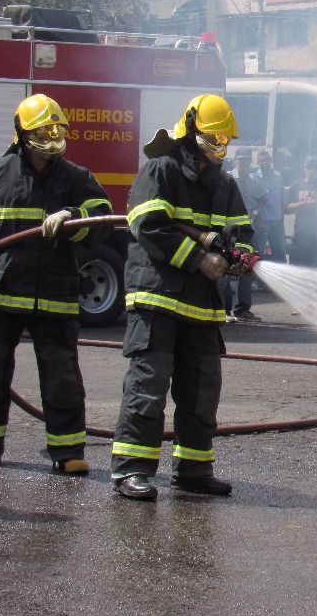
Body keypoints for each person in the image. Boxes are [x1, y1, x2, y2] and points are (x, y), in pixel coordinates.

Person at [0, 94, 113, 474]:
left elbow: (102, 214)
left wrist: (73, 216)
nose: (52, 137)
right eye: (43, 131)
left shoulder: (75, 177)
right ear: (23, 133)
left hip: (54, 291)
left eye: (57, 130)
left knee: (61, 376)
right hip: (1, 289)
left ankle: (68, 451)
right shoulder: (1, 173)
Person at [111, 94, 253, 500]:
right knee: (149, 384)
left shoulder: (225, 185)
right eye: (213, 138)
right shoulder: (161, 170)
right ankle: (131, 470)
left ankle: (193, 470)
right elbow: (149, 227)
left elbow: (241, 231)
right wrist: (199, 260)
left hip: (202, 306)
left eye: (225, 140)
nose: (220, 147)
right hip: (157, 298)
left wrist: (241, 256)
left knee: (202, 389)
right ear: (191, 131)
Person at [223, 150, 264, 322]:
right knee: (223, 268)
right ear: (235, 162)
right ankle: (223, 310)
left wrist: (255, 211)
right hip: (227, 229)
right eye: (241, 160)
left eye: (247, 160)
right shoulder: (227, 179)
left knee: (246, 265)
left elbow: (265, 197)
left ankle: (242, 309)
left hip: (246, 230)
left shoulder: (253, 181)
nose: (244, 163)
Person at [253, 149, 286, 265]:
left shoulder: (278, 176)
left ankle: (279, 280)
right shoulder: (254, 179)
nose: (265, 163)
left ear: (271, 161)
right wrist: (259, 221)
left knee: (280, 253)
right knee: (258, 254)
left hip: (277, 223)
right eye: (262, 161)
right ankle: (257, 282)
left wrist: (281, 217)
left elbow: (282, 198)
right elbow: (253, 204)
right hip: (262, 224)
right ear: (258, 162)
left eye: (267, 160)